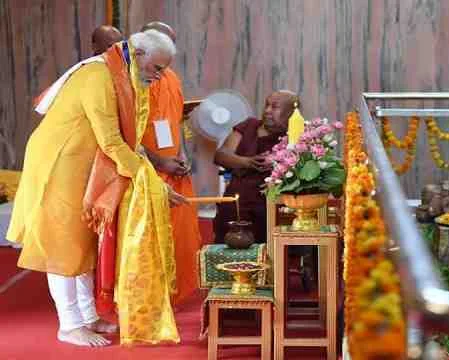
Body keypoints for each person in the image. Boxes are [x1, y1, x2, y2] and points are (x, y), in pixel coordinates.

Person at [7, 29, 183, 347]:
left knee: (87, 237)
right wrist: (151, 181)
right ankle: (69, 324)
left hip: (86, 164)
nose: (158, 78)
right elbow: (112, 140)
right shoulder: (98, 76)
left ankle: (88, 316)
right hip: (59, 162)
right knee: (64, 242)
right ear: (139, 54)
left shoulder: (123, 75)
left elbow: (128, 139)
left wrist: (152, 177)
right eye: (157, 69)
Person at [138, 21, 202, 306]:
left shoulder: (172, 78)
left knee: (181, 234)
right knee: (151, 239)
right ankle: (149, 296)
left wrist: (183, 153)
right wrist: (158, 162)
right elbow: (127, 135)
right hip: (146, 171)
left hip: (174, 167)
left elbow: (177, 121)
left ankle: (174, 292)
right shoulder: (138, 81)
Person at [214, 90, 297, 244]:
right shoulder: (249, 126)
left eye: (274, 107)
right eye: (266, 105)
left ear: (290, 112)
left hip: (272, 205)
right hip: (238, 200)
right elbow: (220, 155)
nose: (267, 111)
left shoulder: (296, 136)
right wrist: (247, 162)